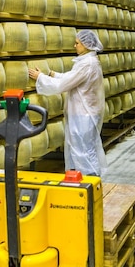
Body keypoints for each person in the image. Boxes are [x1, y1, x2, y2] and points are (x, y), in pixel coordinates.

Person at [28, 29, 107, 177]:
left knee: (83, 151)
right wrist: (52, 75)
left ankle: (90, 182)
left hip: (84, 114)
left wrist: (40, 78)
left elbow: (63, 85)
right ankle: (84, 181)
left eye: (77, 43)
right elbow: (72, 78)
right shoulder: (87, 61)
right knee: (82, 149)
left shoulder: (88, 64)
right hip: (83, 113)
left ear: (86, 45)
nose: (74, 45)